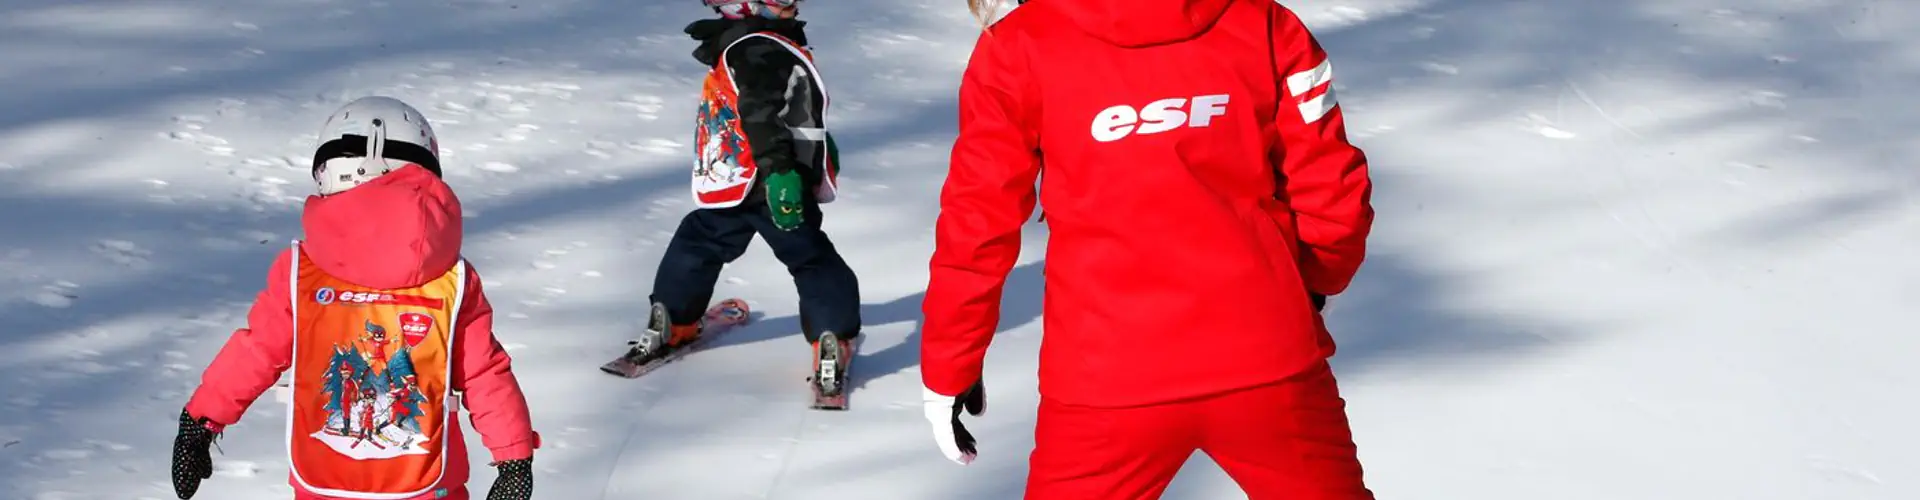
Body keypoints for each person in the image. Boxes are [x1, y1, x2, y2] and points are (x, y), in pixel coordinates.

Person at [918, 0, 1378, 498]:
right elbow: (1335, 197)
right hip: (1268, 362)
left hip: (1104, 382)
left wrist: (951, 365)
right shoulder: (1264, 24)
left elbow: (976, 227)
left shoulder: (1019, 47)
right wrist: (1304, 288)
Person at [170, 96, 539, 500]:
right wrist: (513, 457)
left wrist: (200, 421)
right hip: (430, 484)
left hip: (325, 484)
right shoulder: (452, 279)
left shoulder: (301, 274)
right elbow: (484, 374)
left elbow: (256, 353)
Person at [617, 0, 861, 390]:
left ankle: (673, 320)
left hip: (734, 183)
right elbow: (759, 113)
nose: (792, 4)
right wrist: (781, 171)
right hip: (772, 183)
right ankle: (832, 336)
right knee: (810, 258)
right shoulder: (757, 47)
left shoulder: (743, 43)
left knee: (698, 242)